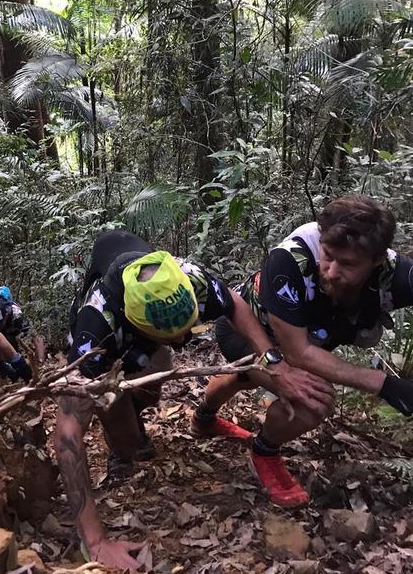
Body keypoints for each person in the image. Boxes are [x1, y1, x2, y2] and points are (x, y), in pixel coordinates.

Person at [54, 229, 332, 571]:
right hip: (116, 345)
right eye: (174, 335)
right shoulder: (95, 328)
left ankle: (135, 405)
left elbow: (235, 304)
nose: (186, 339)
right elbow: (66, 433)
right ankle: (122, 429)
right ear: (139, 324)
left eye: (188, 327)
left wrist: (272, 361)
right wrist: (94, 542)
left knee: (151, 390)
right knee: (125, 440)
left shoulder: (189, 277)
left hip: (144, 334)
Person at [197, 195, 413, 509]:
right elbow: (297, 354)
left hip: (304, 341)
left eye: (348, 264)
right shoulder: (289, 260)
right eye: (328, 255)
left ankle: (204, 418)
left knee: (249, 378)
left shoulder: (394, 273)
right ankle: (265, 450)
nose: (332, 271)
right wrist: (385, 384)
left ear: (377, 259)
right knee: (313, 399)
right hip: (247, 332)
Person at [0, 286, 30, 381]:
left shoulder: (15, 313)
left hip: (12, 337)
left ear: (5, 315)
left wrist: (38, 361)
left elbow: (31, 333)